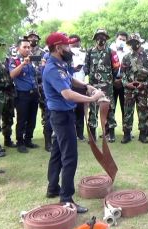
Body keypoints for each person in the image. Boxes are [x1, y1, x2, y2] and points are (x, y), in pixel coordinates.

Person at [43, 32, 104, 213]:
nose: (70, 48)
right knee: (69, 156)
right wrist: (92, 99)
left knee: (57, 152)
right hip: (61, 116)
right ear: (58, 48)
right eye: (67, 46)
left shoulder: (60, 63)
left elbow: (69, 79)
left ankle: (53, 187)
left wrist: (86, 86)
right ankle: (66, 198)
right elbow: (67, 94)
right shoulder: (52, 68)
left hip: (61, 114)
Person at [84, 29, 120, 142]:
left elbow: (116, 68)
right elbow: (87, 67)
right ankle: (93, 135)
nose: (101, 38)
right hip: (94, 86)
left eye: (103, 36)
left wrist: (109, 79)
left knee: (110, 108)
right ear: (95, 38)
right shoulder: (90, 52)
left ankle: (111, 134)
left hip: (107, 86)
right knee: (93, 110)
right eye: (99, 36)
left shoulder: (111, 52)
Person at [120, 33, 148, 144]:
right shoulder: (126, 57)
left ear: (140, 42)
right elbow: (123, 74)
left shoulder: (147, 57)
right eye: (131, 43)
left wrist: (144, 84)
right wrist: (126, 84)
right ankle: (127, 134)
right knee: (127, 112)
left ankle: (143, 134)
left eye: (135, 42)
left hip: (142, 89)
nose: (134, 44)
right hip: (129, 89)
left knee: (143, 112)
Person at [9, 37, 39, 153]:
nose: (27, 49)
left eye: (29, 47)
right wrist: (22, 64)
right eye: (25, 47)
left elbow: (36, 75)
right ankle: (20, 142)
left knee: (32, 118)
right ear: (18, 48)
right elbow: (12, 74)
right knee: (22, 119)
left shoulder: (32, 60)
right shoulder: (14, 60)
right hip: (22, 94)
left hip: (34, 93)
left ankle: (28, 140)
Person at [69, 34, 87, 142]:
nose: (75, 44)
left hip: (80, 84)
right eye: (72, 42)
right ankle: (72, 133)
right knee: (70, 111)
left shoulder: (84, 53)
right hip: (69, 85)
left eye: (77, 42)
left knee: (80, 110)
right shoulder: (65, 54)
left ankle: (80, 134)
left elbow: (87, 67)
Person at [111, 31, 129, 127]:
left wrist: (122, 80)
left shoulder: (128, 52)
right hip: (111, 82)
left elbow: (129, 69)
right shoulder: (109, 50)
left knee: (125, 107)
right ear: (116, 39)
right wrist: (113, 80)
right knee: (111, 107)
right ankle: (109, 130)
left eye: (124, 40)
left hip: (125, 83)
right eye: (120, 39)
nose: (121, 41)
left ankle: (126, 129)